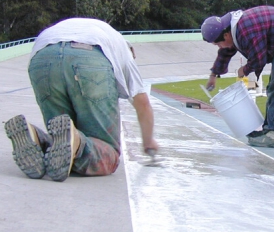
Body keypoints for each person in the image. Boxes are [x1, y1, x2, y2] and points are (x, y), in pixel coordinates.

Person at [4, 18, 159, 182]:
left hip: (42, 56)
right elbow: (142, 104)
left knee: (60, 137)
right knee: (108, 153)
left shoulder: (85, 28)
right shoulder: (123, 51)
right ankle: (77, 142)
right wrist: (148, 142)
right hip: (91, 58)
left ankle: (37, 137)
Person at [201, 6, 274, 148]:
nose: (219, 47)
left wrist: (244, 70)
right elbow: (225, 51)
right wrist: (213, 74)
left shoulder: (245, 29)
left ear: (226, 35)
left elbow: (259, 59)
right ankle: (269, 130)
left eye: (217, 43)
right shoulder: (230, 28)